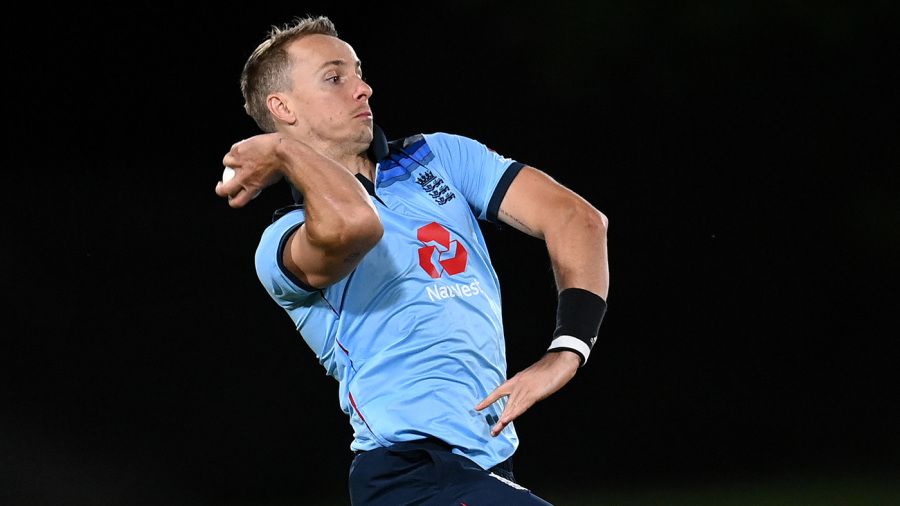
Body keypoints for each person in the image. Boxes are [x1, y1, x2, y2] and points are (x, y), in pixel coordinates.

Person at [215, 14, 610, 505]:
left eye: (358, 72)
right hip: (409, 475)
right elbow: (356, 226)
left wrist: (567, 350)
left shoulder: (438, 158)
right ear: (283, 108)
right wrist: (282, 150)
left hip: (485, 466)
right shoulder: (283, 241)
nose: (363, 89)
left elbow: (579, 219)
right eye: (335, 78)